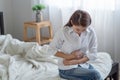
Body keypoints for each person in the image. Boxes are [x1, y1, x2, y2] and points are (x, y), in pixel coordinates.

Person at [49, 10, 103, 80]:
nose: (81, 32)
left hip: (83, 65)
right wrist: (69, 56)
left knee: (94, 76)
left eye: (84, 29)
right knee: (95, 74)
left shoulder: (91, 32)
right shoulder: (63, 32)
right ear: (72, 22)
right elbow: (51, 50)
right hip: (67, 69)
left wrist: (75, 61)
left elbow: (93, 53)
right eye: (77, 29)